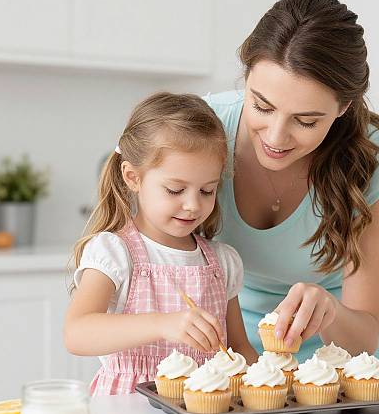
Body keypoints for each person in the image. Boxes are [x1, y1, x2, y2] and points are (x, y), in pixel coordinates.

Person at [203, 0, 379, 363]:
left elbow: (364, 338)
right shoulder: (203, 130)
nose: (276, 137)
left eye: (306, 121)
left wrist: (329, 308)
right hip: (220, 364)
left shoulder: (371, 161)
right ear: (245, 78)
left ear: (344, 107)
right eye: (262, 106)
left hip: (332, 370)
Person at [64, 92, 258, 395]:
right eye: (175, 189)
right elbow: (77, 333)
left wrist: (273, 376)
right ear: (132, 177)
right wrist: (161, 324)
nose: (193, 205)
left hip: (203, 413)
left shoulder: (222, 262)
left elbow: (239, 348)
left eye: (207, 190)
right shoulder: (115, 253)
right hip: (127, 411)